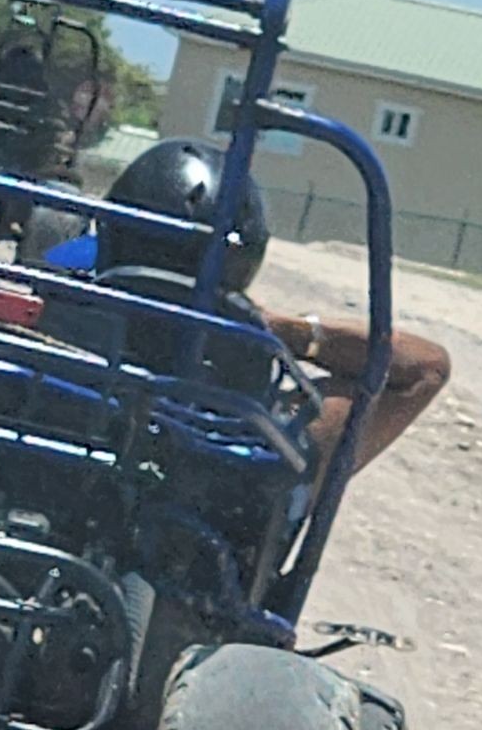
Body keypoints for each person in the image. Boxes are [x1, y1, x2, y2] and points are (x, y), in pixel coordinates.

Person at [95, 139, 450, 480]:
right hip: (206, 504)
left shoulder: (64, 300)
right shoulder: (248, 376)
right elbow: (426, 367)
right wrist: (284, 330)